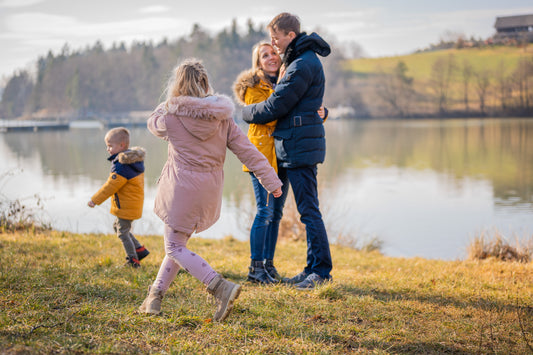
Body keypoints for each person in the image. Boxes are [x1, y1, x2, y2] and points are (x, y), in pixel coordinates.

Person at [139, 59, 283, 322]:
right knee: (178, 245)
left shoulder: (170, 117)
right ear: (205, 83)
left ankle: (220, 287)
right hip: (209, 190)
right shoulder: (223, 118)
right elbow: (248, 151)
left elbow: (153, 122)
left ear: (178, 84)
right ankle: (154, 297)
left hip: (181, 189)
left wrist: (169, 102)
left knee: (173, 246)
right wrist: (271, 179)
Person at [241, 13, 333, 290]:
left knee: (309, 212)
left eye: (276, 38)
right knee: (306, 211)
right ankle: (310, 270)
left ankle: (319, 271)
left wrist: (245, 113)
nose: (274, 44)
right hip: (295, 145)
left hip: (299, 147)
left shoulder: (301, 64)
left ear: (290, 36)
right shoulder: (297, 62)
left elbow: (276, 107)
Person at [88, 127, 150, 268]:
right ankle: (139, 250)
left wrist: (94, 200)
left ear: (122, 145)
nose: (108, 149)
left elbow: (111, 186)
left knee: (122, 232)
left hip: (127, 206)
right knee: (118, 227)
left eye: (110, 146)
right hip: (131, 204)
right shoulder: (131, 161)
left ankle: (133, 261)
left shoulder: (122, 166)